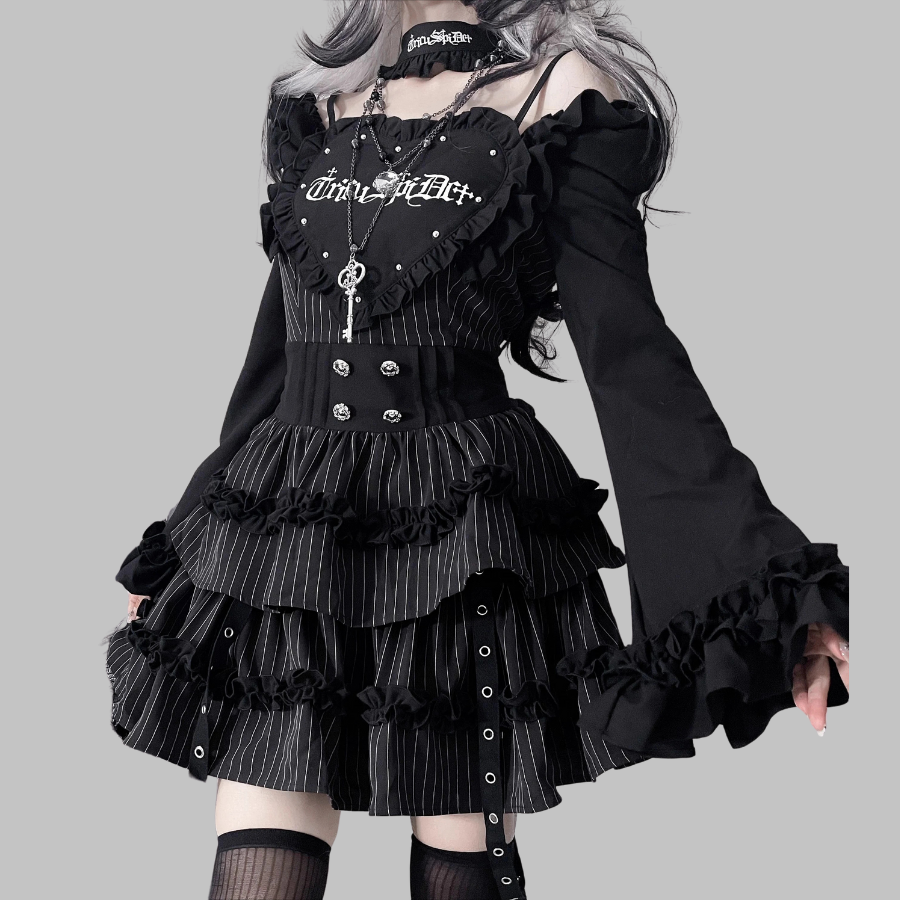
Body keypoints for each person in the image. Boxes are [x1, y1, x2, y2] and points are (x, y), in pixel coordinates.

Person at [103, 2, 851, 898]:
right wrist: (192, 533)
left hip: (457, 539)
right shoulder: (324, 106)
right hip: (297, 535)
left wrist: (766, 590)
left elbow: (631, 359)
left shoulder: (559, 97)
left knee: (460, 850)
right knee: (258, 836)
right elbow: (281, 358)